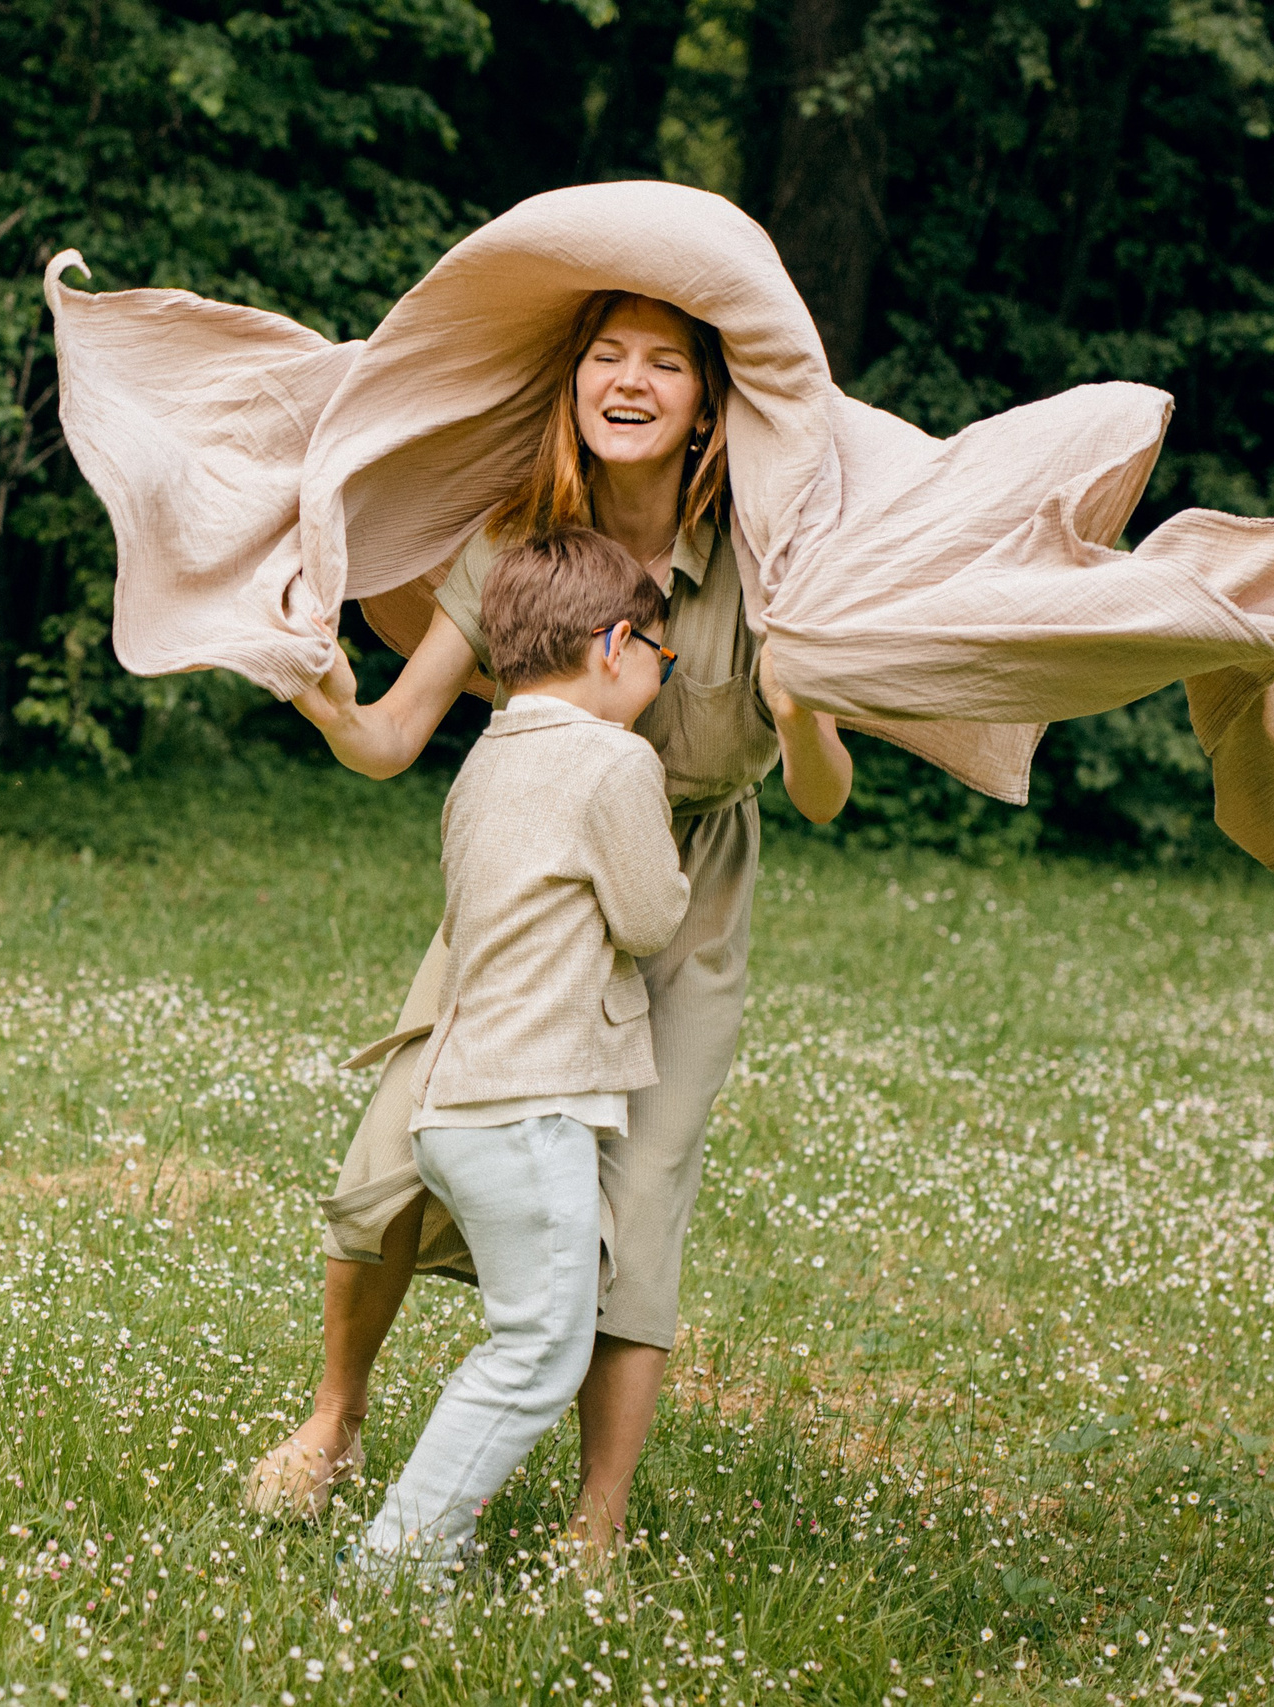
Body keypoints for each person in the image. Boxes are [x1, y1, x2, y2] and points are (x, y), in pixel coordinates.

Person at [241, 289, 855, 1570]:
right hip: (529, 860)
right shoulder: (516, 542)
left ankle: (595, 1529)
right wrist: (317, 689)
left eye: (665, 365)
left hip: (689, 882)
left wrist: (804, 710)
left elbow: (821, 793)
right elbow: (391, 739)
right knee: (388, 1154)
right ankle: (332, 1423)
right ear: (573, 381)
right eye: (605, 356)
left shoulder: (772, 555)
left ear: (706, 405)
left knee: (639, 1196)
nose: (628, 381)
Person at [345, 529, 688, 1582]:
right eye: (660, 665)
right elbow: (648, 918)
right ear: (616, 642)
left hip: (451, 1102)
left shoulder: (485, 756)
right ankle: (399, 1563)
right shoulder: (616, 760)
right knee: (537, 1353)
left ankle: (410, 1547)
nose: (654, 684)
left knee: (525, 1332)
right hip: (531, 1101)